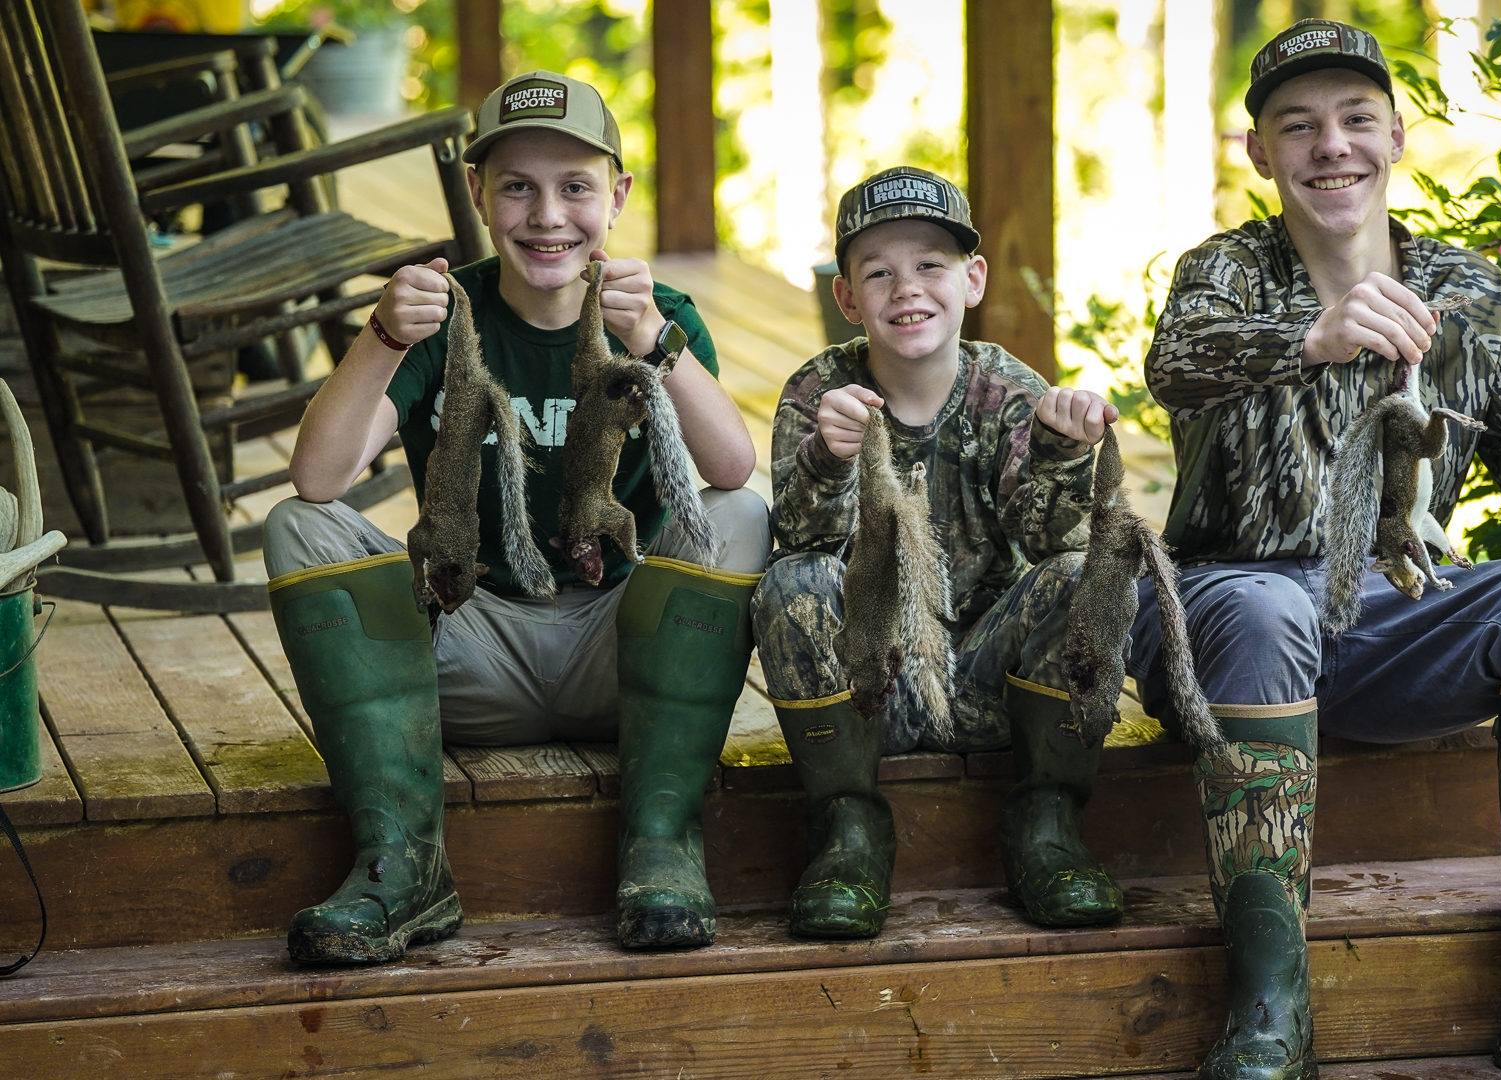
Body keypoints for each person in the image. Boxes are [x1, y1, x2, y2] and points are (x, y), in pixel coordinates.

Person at [1130, 21, 1501, 1080]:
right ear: (1260, 154)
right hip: (1221, 618)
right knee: (1263, 610)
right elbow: (1177, 365)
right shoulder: (1226, 273)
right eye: (1297, 126)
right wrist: (1315, 335)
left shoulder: (1466, 292)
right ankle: (1268, 1009)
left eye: (1354, 121)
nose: (1329, 145)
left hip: (1392, 622)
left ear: (1395, 140)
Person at [265, 70, 771, 963]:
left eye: (575, 187)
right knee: (295, 527)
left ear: (615, 196)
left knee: (741, 514)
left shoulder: (658, 317)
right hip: (470, 649)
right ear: (477, 195)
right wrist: (381, 338)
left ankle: (660, 844)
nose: (547, 216)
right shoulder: (443, 313)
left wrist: (658, 340)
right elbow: (319, 478)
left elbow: (730, 469)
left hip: (626, 652)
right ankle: (403, 866)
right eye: (517, 187)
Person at [752, 167, 1125, 938]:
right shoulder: (819, 389)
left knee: (1087, 572)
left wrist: (1061, 451)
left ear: (973, 279)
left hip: (986, 685)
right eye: (878, 272)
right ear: (847, 298)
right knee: (791, 582)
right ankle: (848, 832)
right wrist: (828, 458)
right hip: (870, 690)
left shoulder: (1008, 388)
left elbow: (1051, 542)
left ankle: (1047, 825)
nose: (906, 288)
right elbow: (801, 540)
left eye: (930, 265)